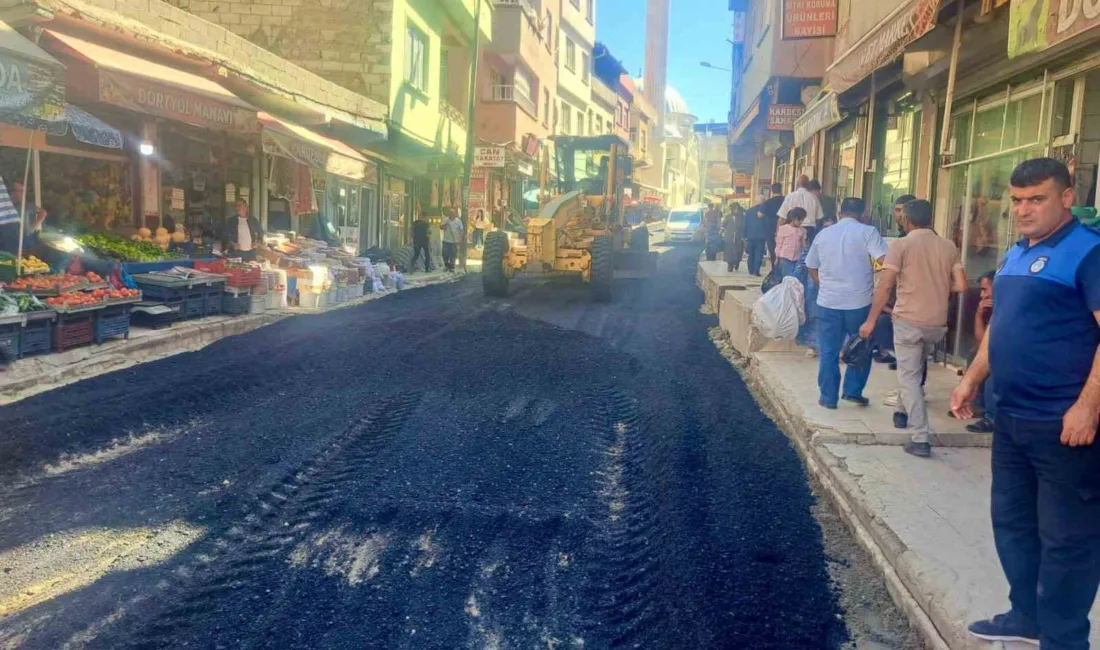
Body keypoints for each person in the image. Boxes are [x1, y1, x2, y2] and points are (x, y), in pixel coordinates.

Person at [950, 158, 1100, 650]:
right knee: (1013, 524)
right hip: (1011, 419)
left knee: (1066, 540)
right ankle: (1026, 617)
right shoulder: (1016, 253)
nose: (1024, 209)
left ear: (1065, 195)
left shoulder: (1088, 252)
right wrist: (972, 378)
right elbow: (1001, 327)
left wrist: (1088, 406)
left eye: (1036, 198)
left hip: (1063, 425)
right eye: (1017, 200)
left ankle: (1064, 639)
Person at [858, 200, 967, 457]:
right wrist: (937, 287)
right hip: (937, 324)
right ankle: (902, 411)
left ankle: (920, 438)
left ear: (906, 220)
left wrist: (871, 319)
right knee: (915, 372)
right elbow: (961, 285)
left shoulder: (901, 245)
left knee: (909, 379)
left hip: (908, 321)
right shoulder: (948, 246)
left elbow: (885, 286)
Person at [806, 197, 888, 409]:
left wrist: (823, 284)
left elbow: (812, 267)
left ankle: (828, 398)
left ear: (840, 213)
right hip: (858, 302)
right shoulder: (868, 232)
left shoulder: (823, 234)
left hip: (828, 302)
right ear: (863, 214)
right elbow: (884, 261)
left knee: (828, 351)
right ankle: (852, 391)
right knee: (862, 347)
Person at [965, 271, 997, 433]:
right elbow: (981, 339)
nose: (982, 294)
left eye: (985, 289)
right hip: (994, 349)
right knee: (974, 353)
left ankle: (992, 418)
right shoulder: (987, 308)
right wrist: (979, 314)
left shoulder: (1006, 306)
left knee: (993, 369)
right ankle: (978, 404)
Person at [779, 177, 824, 245]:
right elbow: (819, 217)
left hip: (793, 229)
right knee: (808, 252)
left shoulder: (790, 196)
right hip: (810, 230)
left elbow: (782, 217)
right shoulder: (814, 198)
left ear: (797, 184)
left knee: (792, 251)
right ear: (808, 185)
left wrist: (779, 232)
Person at [774, 207, 807, 280]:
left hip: (797, 258)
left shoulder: (802, 230)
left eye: (802, 219)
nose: (801, 221)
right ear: (793, 218)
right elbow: (779, 244)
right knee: (787, 279)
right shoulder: (783, 229)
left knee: (796, 279)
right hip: (785, 258)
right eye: (799, 219)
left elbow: (803, 246)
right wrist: (777, 258)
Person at [742, 201, 772, 276]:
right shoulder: (765, 212)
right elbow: (768, 224)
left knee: (751, 254)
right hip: (761, 237)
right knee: (758, 255)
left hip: (750, 236)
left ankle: (750, 270)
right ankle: (756, 271)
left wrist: (744, 235)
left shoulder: (749, 211)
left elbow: (745, 224)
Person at [762, 183, 785, 268]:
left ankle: (774, 268)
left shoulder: (768, 202)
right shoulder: (785, 200)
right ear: (781, 190)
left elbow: (761, 214)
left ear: (772, 191)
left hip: (770, 229)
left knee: (773, 251)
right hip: (784, 228)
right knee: (784, 250)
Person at [722, 204, 744, 272]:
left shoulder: (742, 217)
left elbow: (745, 227)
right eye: (734, 209)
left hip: (739, 238)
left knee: (738, 251)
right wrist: (720, 233)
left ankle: (737, 262)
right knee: (729, 252)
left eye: (737, 209)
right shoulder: (727, 217)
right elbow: (723, 226)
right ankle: (730, 265)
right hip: (729, 238)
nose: (736, 211)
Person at [440, 208, 464, 272]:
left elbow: (461, 230)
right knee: (445, 254)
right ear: (449, 214)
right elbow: (441, 227)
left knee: (453, 254)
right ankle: (446, 266)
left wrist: (460, 239)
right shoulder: (445, 220)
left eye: (453, 213)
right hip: (446, 240)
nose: (451, 214)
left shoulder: (458, 221)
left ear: (455, 214)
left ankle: (451, 267)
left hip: (454, 241)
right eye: (450, 213)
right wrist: (445, 224)